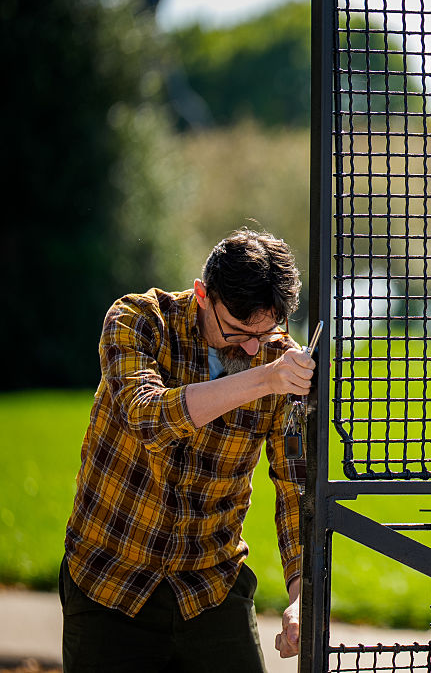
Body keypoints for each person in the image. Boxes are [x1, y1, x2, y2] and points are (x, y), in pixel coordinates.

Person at [61, 228, 315, 672]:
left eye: (266, 331)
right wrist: (264, 379)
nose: (254, 347)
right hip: (109, 581)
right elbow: (150, 419)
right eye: (238, 332)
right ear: (203, 295)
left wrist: (301, 596)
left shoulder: (279, 362)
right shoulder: (137, 320)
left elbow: (295, 490)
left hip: (211, 588)